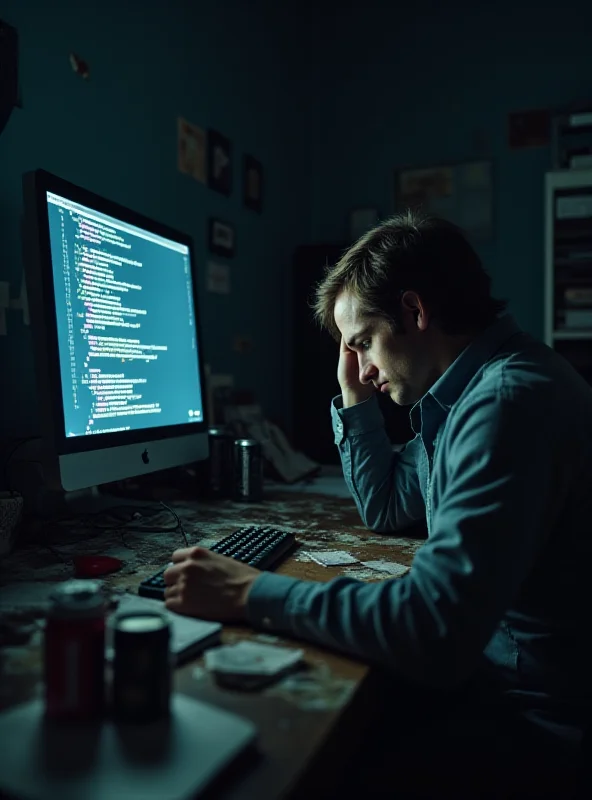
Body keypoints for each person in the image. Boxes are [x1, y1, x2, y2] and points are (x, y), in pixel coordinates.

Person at [163, 211, 592, 796]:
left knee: (277, 759)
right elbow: (388, 506)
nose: (360, 366)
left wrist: (248, 592)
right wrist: (352, 394)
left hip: (539, 726)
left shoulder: (505, 405)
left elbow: (433, 629)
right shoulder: (467, 396)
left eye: (362, 342)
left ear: (415, 312)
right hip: (497, 687)